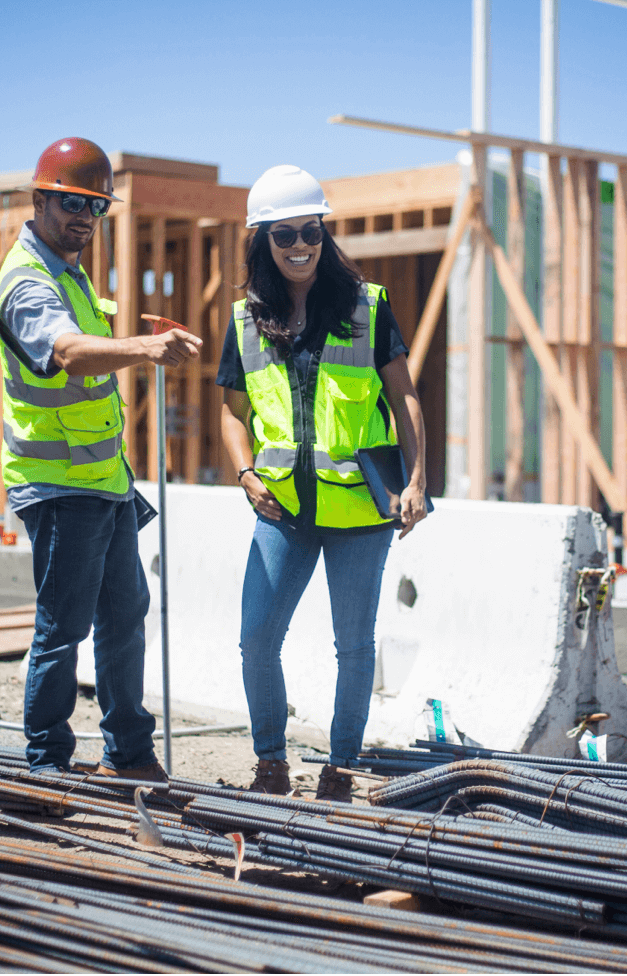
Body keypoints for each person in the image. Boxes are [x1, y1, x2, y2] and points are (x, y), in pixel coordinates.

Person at [0, 137, 201, 778]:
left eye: (96, 207)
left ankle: (129, 753)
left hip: (103, 481)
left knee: (124, 615)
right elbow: (67, 353)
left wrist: (139, 345)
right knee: (63, 627)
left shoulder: (69, 272)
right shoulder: (26, 282)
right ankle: (48, 761)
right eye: (72, 203)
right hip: (57, 485)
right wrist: (142, 349)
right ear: (40, 199)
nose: (84, 217)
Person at [217, 165, 429, 803]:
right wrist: (246, 472)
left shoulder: (367, 305)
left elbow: (406, 398)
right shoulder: (246, 318)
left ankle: (338, 768)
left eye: (311, 230)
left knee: (354, 646)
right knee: (257, 639)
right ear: (264, 242)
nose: (300, 244)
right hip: (281, 510)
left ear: (323, 233)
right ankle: (271, 761)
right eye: (285, 235)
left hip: (362, 510)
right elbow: (232, 413)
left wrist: (417, 479)